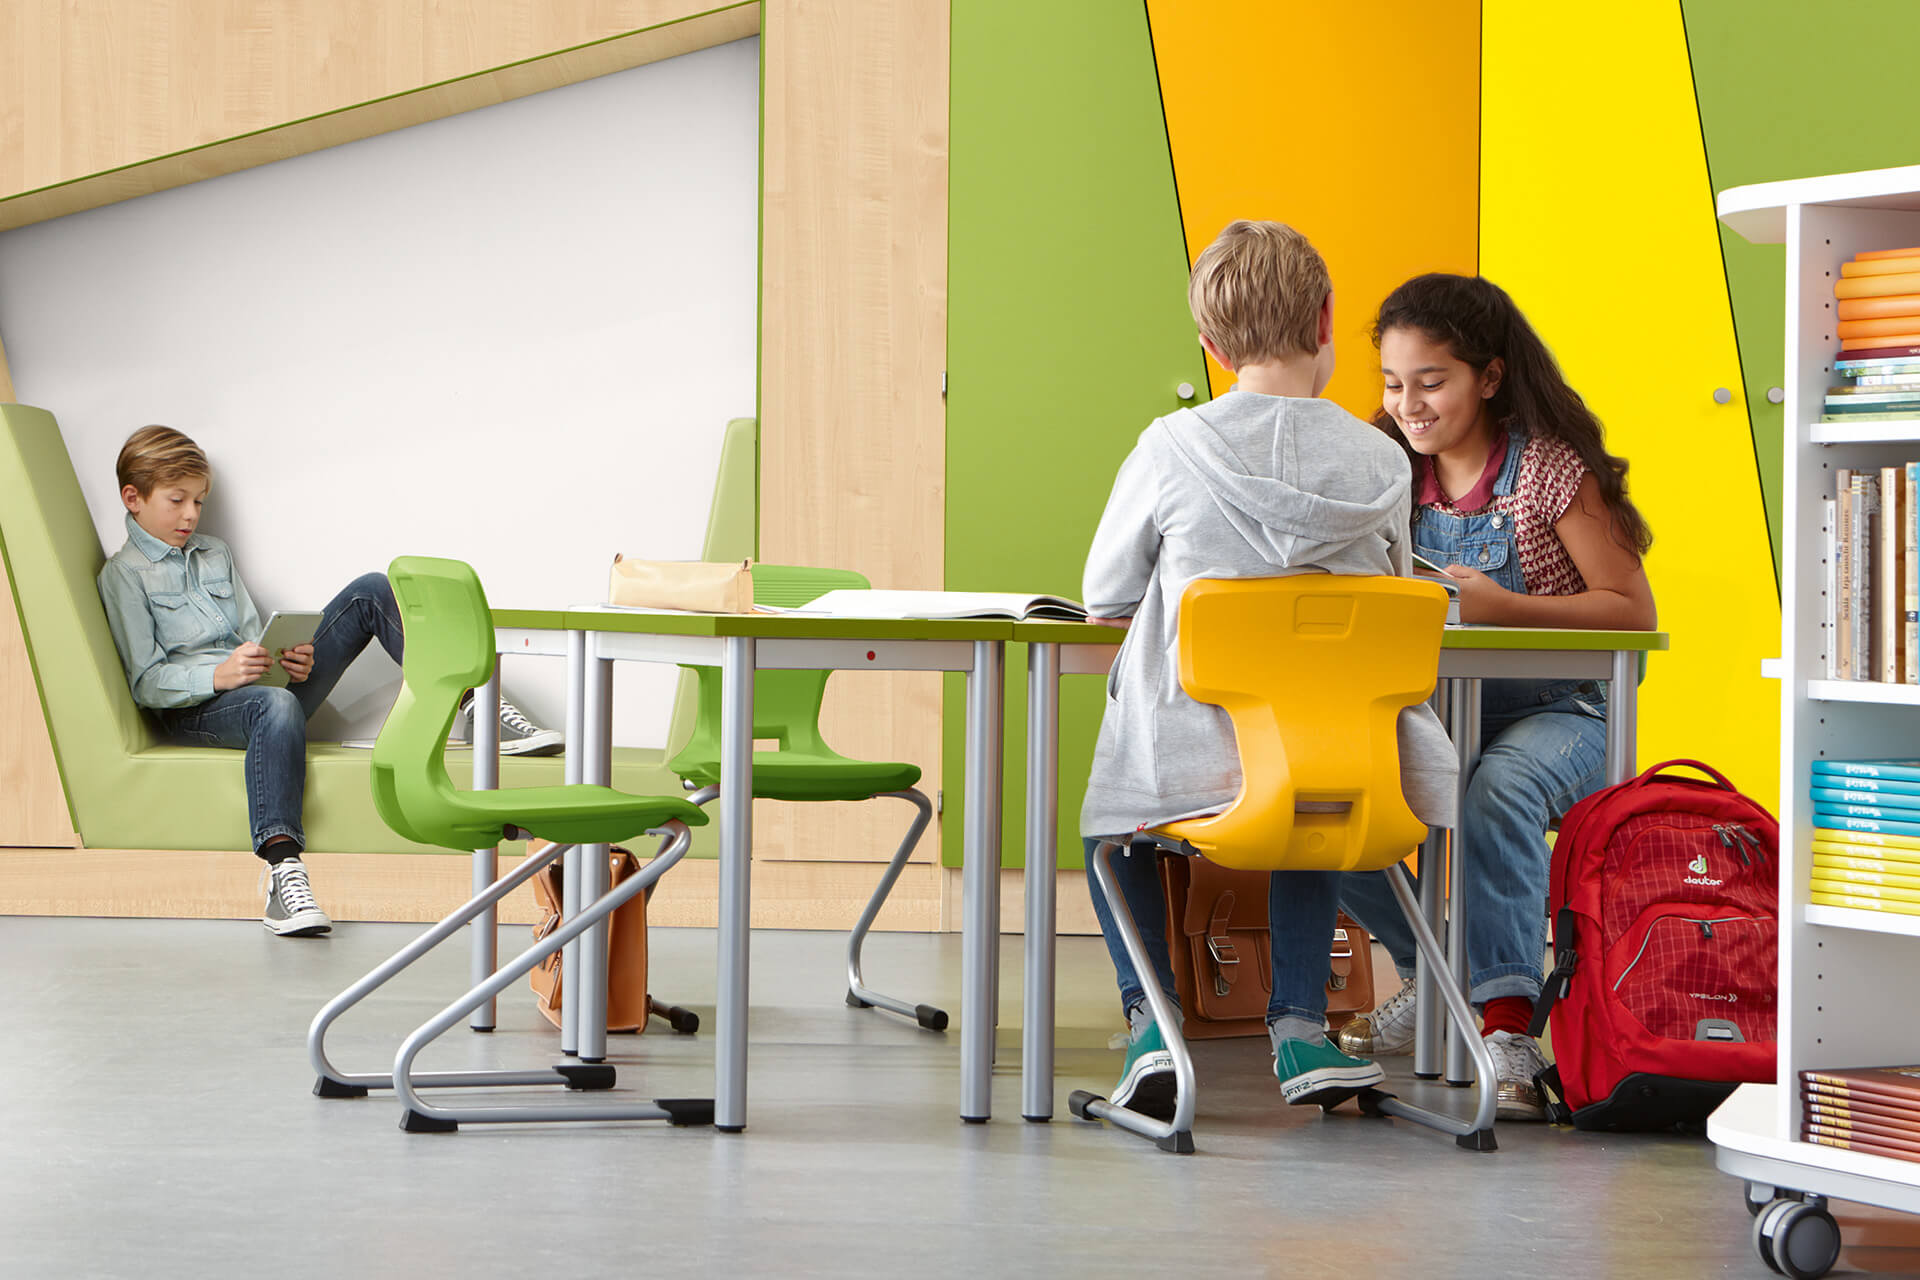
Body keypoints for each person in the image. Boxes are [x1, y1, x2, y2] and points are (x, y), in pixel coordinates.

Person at [1081, 220, 1458, 1122]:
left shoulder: (1171, 446)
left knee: (1112, 831)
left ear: (1209, 345)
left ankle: (1152, 1023)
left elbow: (1106, 593)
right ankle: (1299, 1025)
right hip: (1344, 769)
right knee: (1311, 796)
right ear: (1327, 319)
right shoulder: (1383, 458)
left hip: (1193, 765)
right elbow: (1397, 588)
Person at [1334, 273, 1657, 1120]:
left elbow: (1632, 612)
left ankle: (1509, 1028)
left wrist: (1500, 606)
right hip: (1440, 708)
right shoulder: (1387, 470)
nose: (1409, 403)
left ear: (1489, 375)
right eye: (1394, 382)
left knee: (1497, 791)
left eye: (1431, 381)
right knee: (1326, 788)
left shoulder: (1553, 472)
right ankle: (1437, 972)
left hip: (1568, 714)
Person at [96, 425, 563, 937]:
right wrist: (219, 674)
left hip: (264, 689)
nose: (190, 515)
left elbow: (255, 636)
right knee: (274, 706)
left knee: (371, 590)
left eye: (199, 502)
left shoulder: (215, 553)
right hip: (201, 710)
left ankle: (477, 704)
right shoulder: (124, 575)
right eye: (177, 500)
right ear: (133, 498)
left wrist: (285, 659)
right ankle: (281, 873)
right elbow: (146, 682)